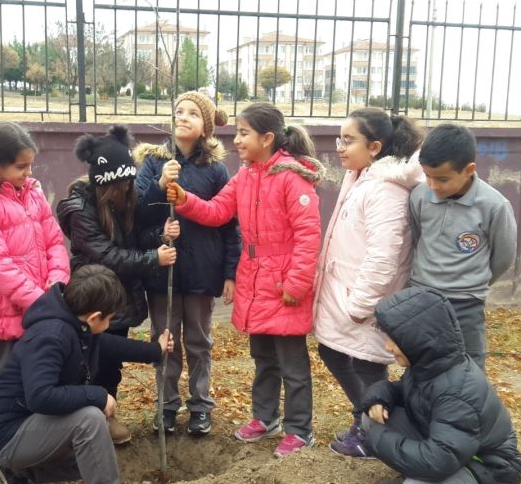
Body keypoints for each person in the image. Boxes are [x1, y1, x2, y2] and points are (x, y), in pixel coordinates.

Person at [166, 102, 324, 457]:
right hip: (257, 281)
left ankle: (300, 429)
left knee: (292, 362)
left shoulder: (291, 177)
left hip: (284, 284)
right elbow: (218, 211)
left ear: (267, 138)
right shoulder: (247, 175)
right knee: (263, 356)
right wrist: (186, 199)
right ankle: (265, 418)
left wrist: (297, 284)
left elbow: (308, 235)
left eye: (243, 133)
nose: (235, 140)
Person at [0, 264, 174, 484]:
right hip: (6, 434)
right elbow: (40, 396)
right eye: (110, 318)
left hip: (30, 423)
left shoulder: (73, 321)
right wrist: (98, 395)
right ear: (93, 317)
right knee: (90, 420)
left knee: (96, 461)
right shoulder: (50, 335)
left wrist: (155, 350)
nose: (110, 324)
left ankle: (24, 471)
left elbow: (109, 345)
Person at [56, 124, 179, 444]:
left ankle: (106, 416)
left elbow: (135, 237)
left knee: (111, 361)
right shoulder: (79, 210)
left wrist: (160, 237)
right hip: (94, 294)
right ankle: (85, 420)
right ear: (105, 184)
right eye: (123, 185)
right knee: (90, 362)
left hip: (119, 296)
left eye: (130, 183)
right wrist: (153, 258)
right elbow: (106, 254)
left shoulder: (123, 197)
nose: (129, 190)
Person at [312, 108, 424, 458]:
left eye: (349, 140)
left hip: (365, 299)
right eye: (339, 139)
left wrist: (361, 304)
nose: (340, 148)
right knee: (332, 350)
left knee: (366, 363)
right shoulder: (360, 177)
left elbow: (383, 256)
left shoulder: (387, 191)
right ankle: (369, 418)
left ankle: (375, 431)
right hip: (344, 292)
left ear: (374, 146)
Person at [133, 91, 241, 436]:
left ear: (206, 128)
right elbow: (136, 212)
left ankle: (199, 406)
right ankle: (166, 406)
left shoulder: (216, 170)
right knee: (164, 339)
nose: (183, 117)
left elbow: (229, 223)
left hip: (201, 270)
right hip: (162, 269)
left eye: (193, 113)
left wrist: (229, 273)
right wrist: (160, 185)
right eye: (179, 111)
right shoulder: (153, 162)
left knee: (198, 341)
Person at [360, 286, 521, 484]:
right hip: (455, 450)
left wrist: (376, 440)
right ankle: (416, 474)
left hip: (489, 468)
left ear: (418, 341)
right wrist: (378, 399)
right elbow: (401, 392)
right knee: (371, 417)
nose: (388, 347)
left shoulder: (457, 391)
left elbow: (437, 461)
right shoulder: (427, 367)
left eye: (394, 340)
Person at [409, 123, 517, 369]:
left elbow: (503, 257)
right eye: (427, 176)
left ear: (469, 170)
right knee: (420, 362)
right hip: (423, 297)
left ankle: (466, 409)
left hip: (466, 303)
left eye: (443, 179)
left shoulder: (494, 205)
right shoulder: (418, 196)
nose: (433, 185)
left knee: (468, 366)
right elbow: (418, 239)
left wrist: (472, 282)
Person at [0, 122, 70, 377]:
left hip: (44, 305)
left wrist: (56, 286)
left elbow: (54, 242)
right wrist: (39, 300)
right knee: (7, 379)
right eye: (21, 166)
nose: (29, 172)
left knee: (42, 376)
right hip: (9, 312)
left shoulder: (33, 193)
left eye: (30, 165)